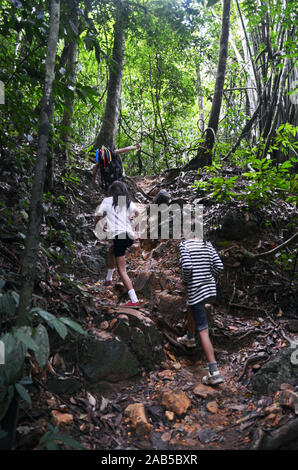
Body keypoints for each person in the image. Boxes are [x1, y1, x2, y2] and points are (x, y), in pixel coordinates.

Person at [177, 237, 225, 385]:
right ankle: (190, 338)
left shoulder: (185, 245)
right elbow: (219, 266)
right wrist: (206, 276)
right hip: (209, 288)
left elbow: (187, 267)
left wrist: (187, 280)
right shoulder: (207, 244)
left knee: (203, 331)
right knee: (191, 305)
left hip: (196, 289)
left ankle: (214, 372)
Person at [94, 180, 140, 308]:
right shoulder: (126, 202)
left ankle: (134, 299)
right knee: (111, 249)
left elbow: (98, 215)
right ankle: (108, 279)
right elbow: (138, 213)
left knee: (122, 271)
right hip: (128, 236)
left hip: (119, 237)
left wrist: (99, 225)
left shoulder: (107, 201)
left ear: (111, 191)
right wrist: (137, 232)